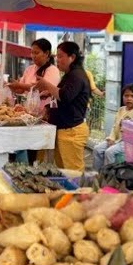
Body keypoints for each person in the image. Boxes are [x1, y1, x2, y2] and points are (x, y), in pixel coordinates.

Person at [35, 41, 91, 171]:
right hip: (64, 130)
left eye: (60, 56)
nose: (57, 60)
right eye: (57, 56)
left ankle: (78, 192)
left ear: (72, 57)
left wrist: (46, 84)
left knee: (73, 173)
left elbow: (65, 96)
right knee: (64, 171)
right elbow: (67, 96)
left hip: (72, 131)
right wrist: (50, 94)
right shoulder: (69, 75)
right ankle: (69, 191)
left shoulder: (76, 75)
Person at [93, 84, 133, 171]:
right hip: (117, 139)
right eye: (126, 96)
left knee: (109, 152)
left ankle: (110, 177)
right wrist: (111, 138)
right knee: (97, 149)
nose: (129, 98)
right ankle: (98, 174)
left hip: (129, 141)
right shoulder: (121, 109)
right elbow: (115, 126)